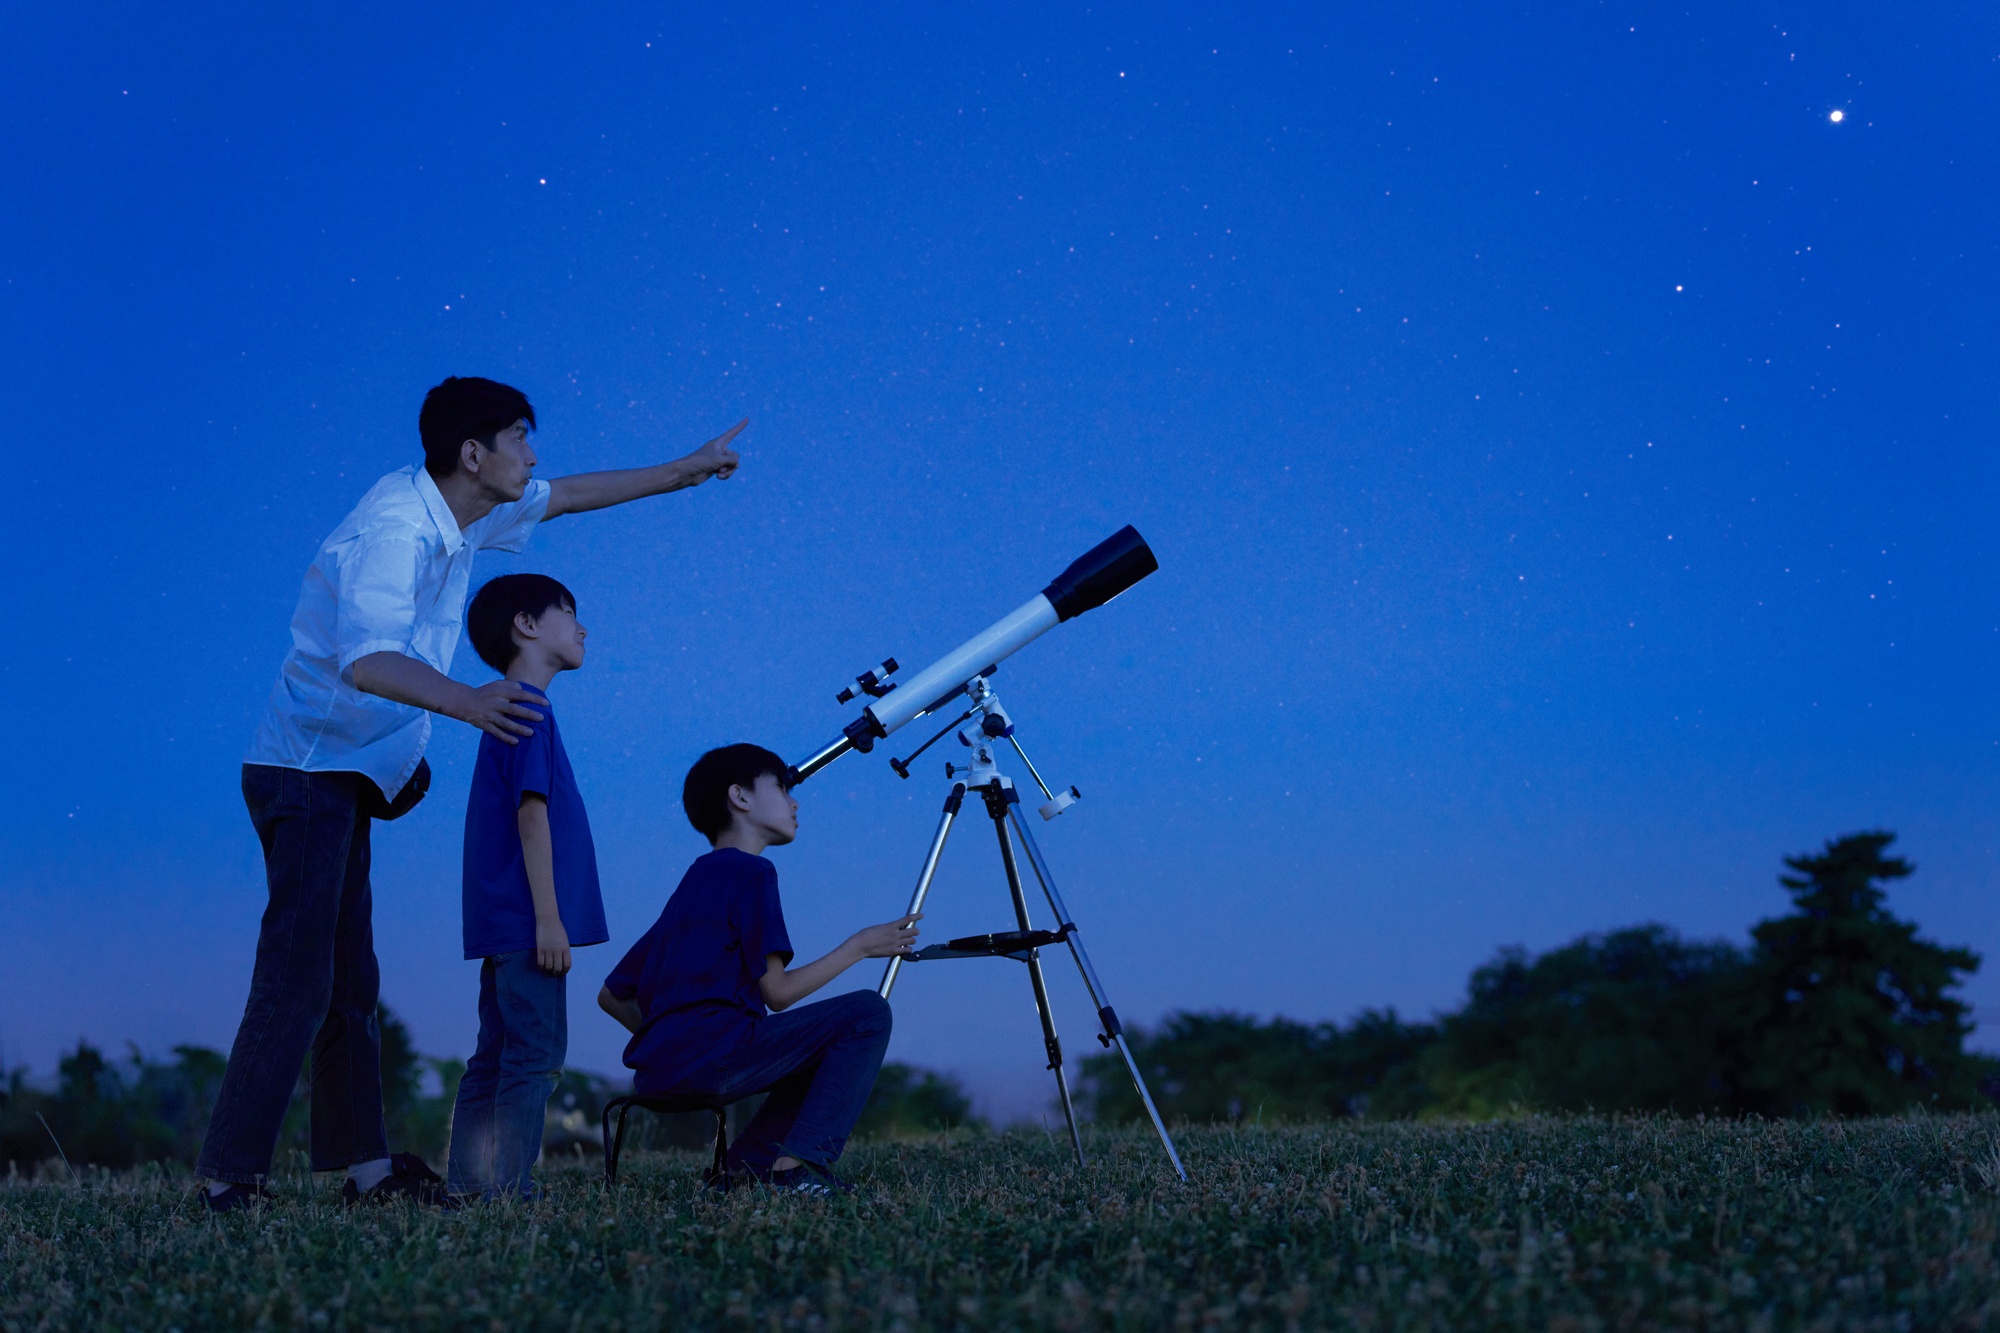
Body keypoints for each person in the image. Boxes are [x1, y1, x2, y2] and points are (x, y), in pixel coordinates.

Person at [199, 376, 744, 1212]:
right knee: (298, 978)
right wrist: (469, 701)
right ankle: (229, 1177)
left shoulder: (464, 517)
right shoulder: (395, 531)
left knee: (350, 982)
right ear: (472, 453)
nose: (532, 453)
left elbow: (571, 495)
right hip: (305, 770)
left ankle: (367, 1170)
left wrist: (685, 470)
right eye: (520, 436)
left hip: (346, 772)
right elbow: (367, 660)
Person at [597, 745, 919, 1194]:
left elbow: (611, 994)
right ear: (740, 797)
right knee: (866, 1014)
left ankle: (740, 1170)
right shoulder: (752, 872)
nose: (794, 802)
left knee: (817, 1040)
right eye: (782, 788)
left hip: (656, 1075)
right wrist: (859, 946)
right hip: (716, 1059)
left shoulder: (693, 885)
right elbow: (778, 993)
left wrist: (668, 1042)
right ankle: (797, 1169)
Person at [446, 574, 603, 1201]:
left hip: (502, 921)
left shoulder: (508, 710)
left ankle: (470, 1187)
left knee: (495, 1054)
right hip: (527, 921)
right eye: (569, 612)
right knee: (534, 1055)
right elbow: (531, 815)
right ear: (527, 625)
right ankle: (507, 1190)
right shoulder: (529, 710)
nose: (582, 627)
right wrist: (549, 918)